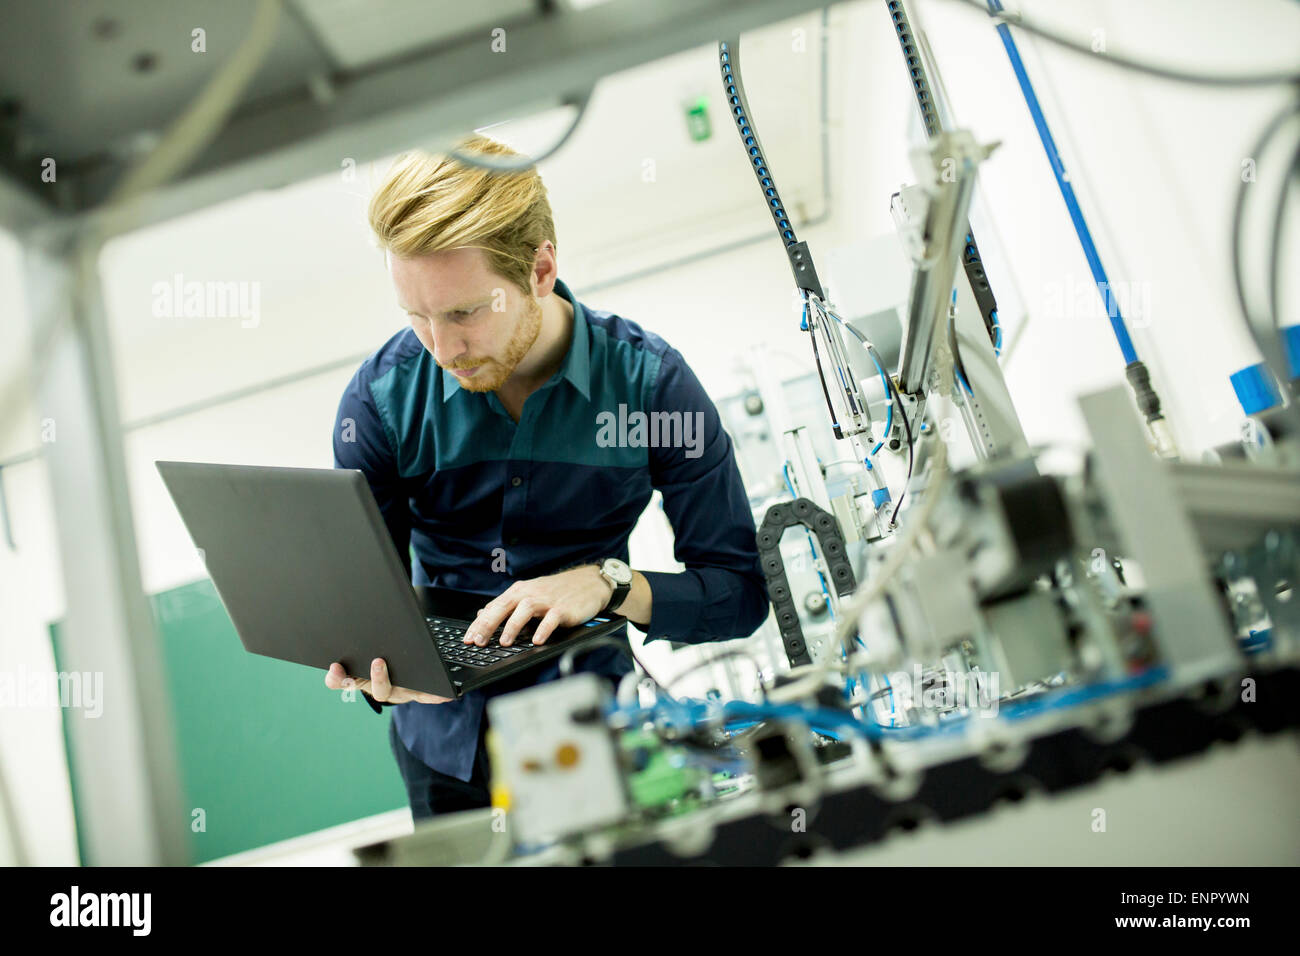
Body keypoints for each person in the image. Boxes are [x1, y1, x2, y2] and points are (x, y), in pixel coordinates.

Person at [324, 134, 769, 820]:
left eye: (464, 312)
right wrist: (377, 665)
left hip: (595, 734)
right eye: (416, 317)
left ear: (540, 269)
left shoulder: (652, 389)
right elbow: (366, 604)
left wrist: (610, 584)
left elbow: (739, 593)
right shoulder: (379, 402)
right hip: (443, 749)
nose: (442, 349)